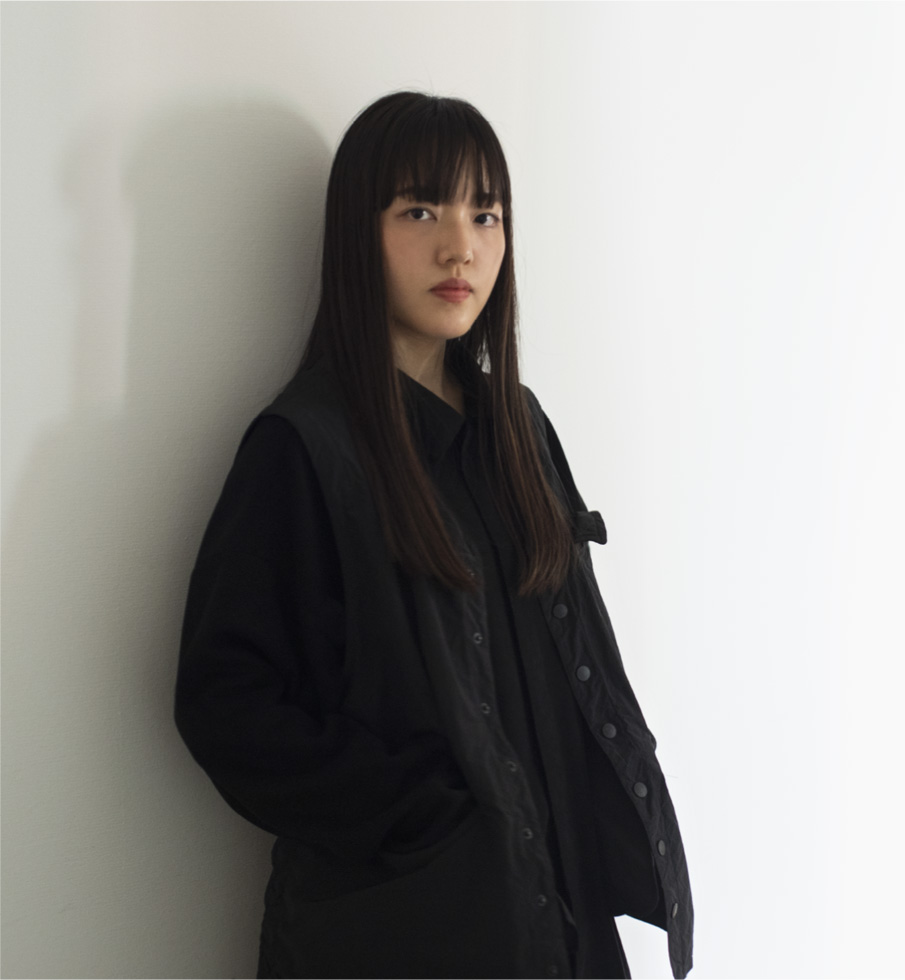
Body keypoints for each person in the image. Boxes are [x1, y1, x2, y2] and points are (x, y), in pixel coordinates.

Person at [174, 91, 694, 980]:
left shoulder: (517, 427)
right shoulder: (307, 448)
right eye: (420, 211)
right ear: (358, 233)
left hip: (558, 918)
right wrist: (418, 816)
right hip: (414, 932)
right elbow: (225, 701)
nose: (461, 248)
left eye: (484, 215)